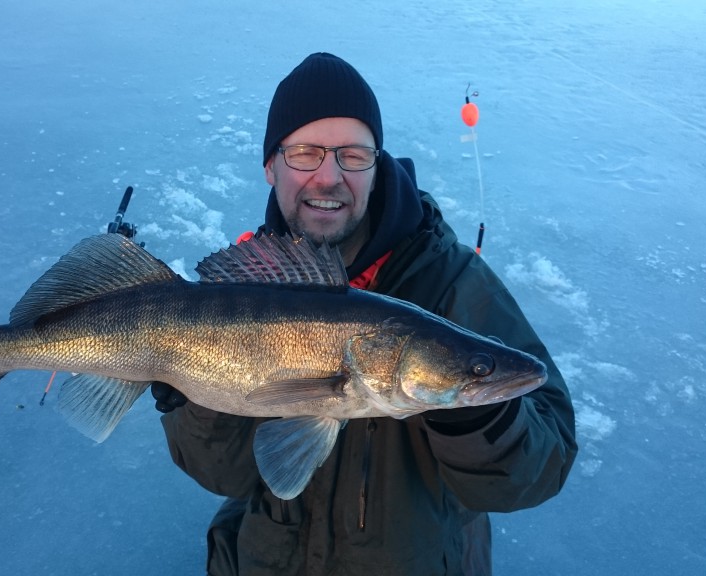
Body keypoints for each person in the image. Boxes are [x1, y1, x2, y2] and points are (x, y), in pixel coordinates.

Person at [151, 52, 577, 576]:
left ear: (378, 163)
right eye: (305, 152)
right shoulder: (241, 287)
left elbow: (545, 464)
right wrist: (201, 404)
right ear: (270, 166)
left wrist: (479, 409)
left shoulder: (455, 285)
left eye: (353, 155)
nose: (329, 177)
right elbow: (224, 477)